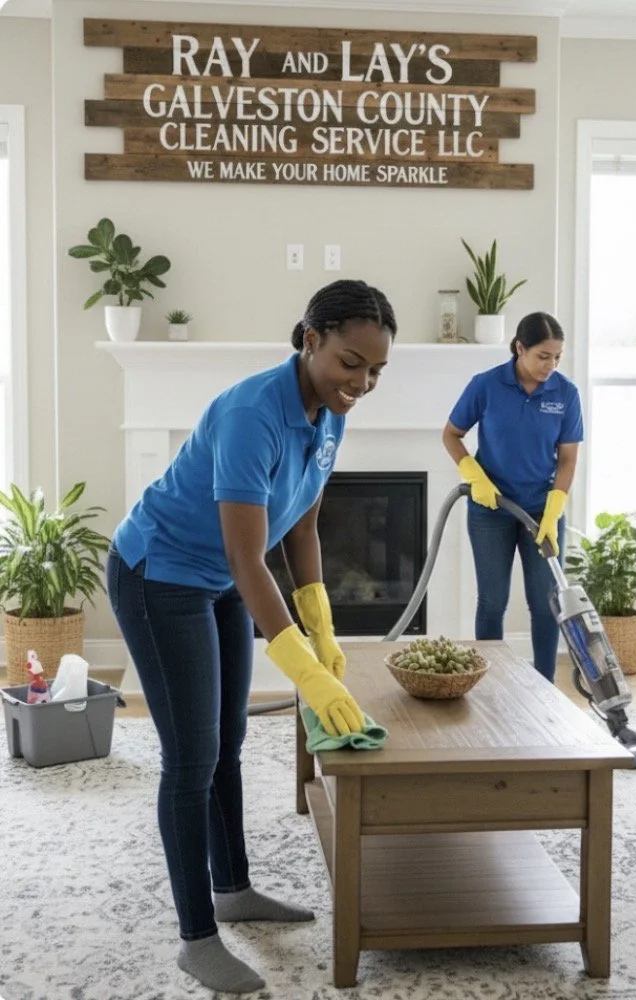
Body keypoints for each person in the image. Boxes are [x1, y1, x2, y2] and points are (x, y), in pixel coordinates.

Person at [106, 279, 397, 994]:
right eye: (350, 363)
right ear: (309, 340)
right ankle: (195, 937)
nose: (360, 382)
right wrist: (304, 669)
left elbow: (299, 521)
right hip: (159, 574)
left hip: (218, 579)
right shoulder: (250, 417)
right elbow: (245, 556)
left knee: (228, 739)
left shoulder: (329, 411)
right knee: (190, 757)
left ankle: (232, 887)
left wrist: (320, 621)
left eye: (375, 371)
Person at [442, 312, 583, 683]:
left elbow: (568, 459)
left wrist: (554, 510)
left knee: (545, 603)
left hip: (541, 511)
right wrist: (474, 475)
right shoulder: (486, 385)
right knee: (492, 602)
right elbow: (451, 435)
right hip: (492, 509)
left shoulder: (566, 393)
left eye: (557, 357)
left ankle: (545, 686)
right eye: (542, 356)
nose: (550, 366)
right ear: (520, 348)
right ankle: (490, 685)